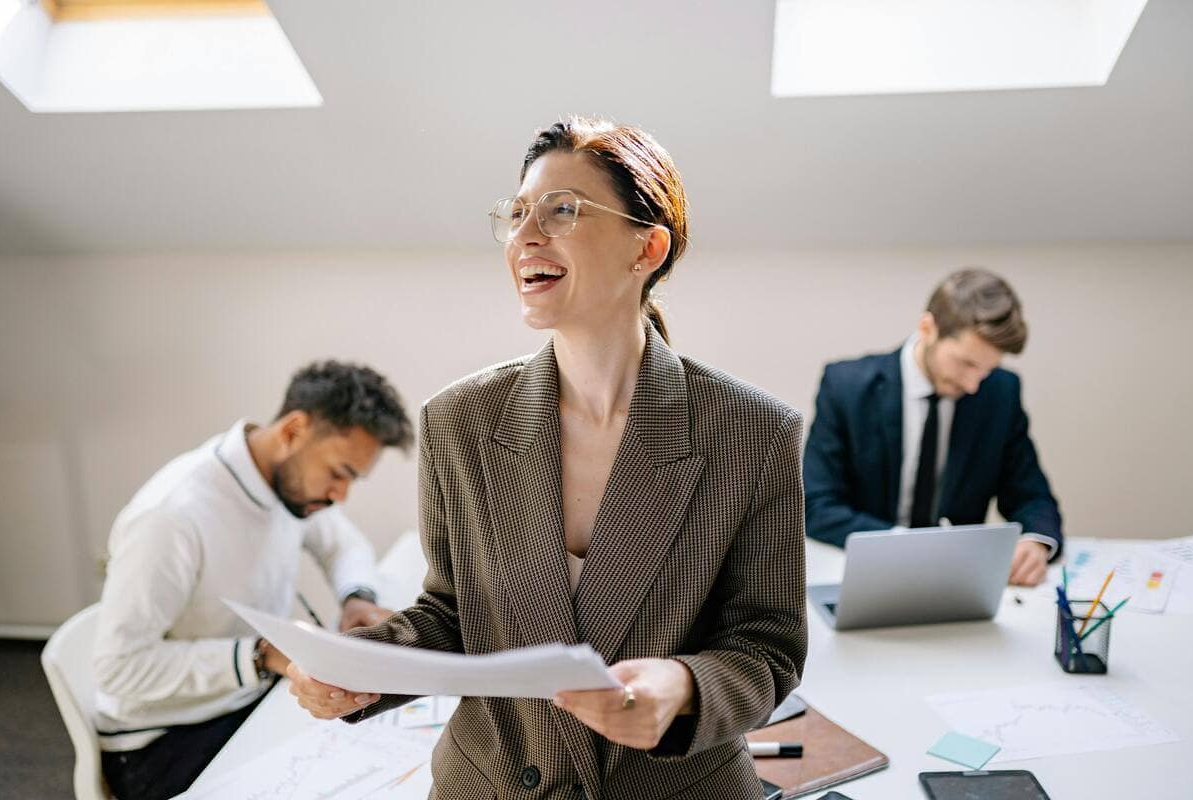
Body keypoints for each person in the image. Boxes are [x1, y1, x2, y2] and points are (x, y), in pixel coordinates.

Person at [288, 117, 807, 799]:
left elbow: (765, 648)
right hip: (490, 782)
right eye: (517, 212)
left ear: (646, 248)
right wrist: (359, 668)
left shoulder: (754, 434)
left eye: (562, 210)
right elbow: (453, 615)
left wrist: (683, 688)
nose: (526, 236)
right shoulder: (459, 422)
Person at [93, 360, 414, 800]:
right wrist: (260, 656)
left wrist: (356, 598)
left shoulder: (287, 483)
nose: (341, 495)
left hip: (245, 699)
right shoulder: (171, 517)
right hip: (161, 741)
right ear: (293, 431)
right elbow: (117, 669)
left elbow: (345, 545)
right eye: (339, 473)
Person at [804, 268, 1063, 586]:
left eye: (987, 369)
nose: (972, 384)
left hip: (958, 583)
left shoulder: (1000, 393)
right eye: (966, 363)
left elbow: (1032, 496)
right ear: (928, 328)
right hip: (866, 572)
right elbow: (817, 505)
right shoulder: (846, 387)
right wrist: (905, 546)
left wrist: (1034, 542)